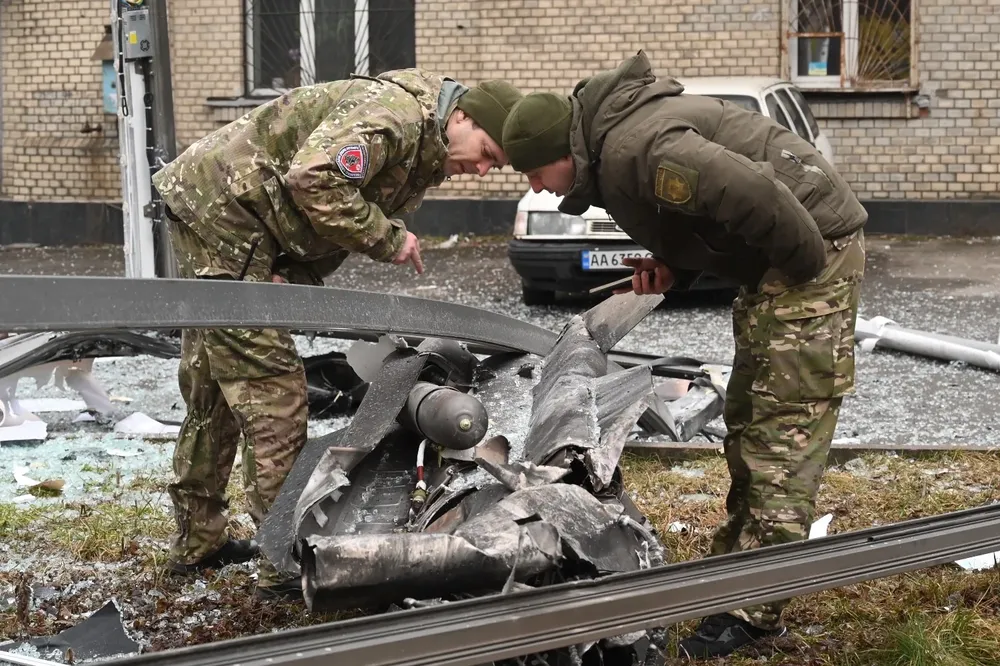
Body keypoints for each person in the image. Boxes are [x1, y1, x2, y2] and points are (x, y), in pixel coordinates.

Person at [501, 50, 866, 658]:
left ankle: (754, 613)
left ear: (563, 151)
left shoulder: (633, 150)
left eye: (536, 171)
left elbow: (756, 193)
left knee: (783, 431)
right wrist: (677, 267)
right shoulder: (614, 152)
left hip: (810, 252)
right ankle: (730, 578)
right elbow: (704, 213)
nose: (536, 186)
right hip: (781, 262)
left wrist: (800, 272)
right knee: (751, 419)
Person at [152, 70, 523, 600]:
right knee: (272, 390)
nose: (484, 171)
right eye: (487, 151)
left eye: (495, 165)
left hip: (236, 218)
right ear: (461, 117)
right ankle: (286, 561)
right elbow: (315, 177)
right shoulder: (397, 116)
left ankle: (198, 546)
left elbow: (325, 219)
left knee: (214, 387)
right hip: (227, 215)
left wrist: (294, 277)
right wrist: (386, 237)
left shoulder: (421, 146)